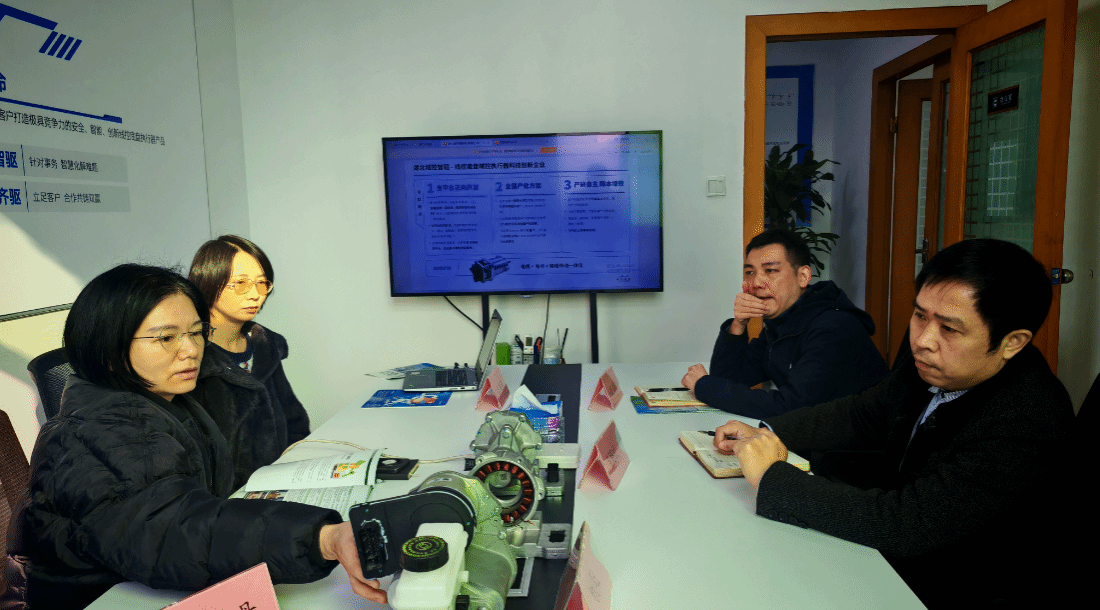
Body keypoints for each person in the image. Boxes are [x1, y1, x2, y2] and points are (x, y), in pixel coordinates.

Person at [712, 238, 1076, 608]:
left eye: (950, 329)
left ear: (1012, 342)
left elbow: (907, 523)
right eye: (920, 316)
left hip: (958, 584)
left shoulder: (1028, 419)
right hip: (891, 555)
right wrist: (769, 431)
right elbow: (864, 412)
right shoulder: (932, 365)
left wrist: (772, 477)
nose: (923, 341)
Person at [22, 264, 386, 608]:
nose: (191, 349)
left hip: (144, 583)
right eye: (166, 337)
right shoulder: (96, 431)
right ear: (108, 348)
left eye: (196, 332)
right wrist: (321, 537)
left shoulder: (165, 397)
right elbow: (174, 529)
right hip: (105, 598)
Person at [682, 229, 887, 418]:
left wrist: (704, 386)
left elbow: (790, 408)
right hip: (817, 434)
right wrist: (739, 324)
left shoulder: (833, 327)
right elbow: (728, 379)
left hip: (861, 443)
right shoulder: (782, 321)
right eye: (750, 272)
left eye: (770, 270)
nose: (756, 283)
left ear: (803, 276)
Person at [188, 235, 310, 488]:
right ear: (209, 282)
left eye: (262, 284)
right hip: (228, 500)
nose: (255, 295)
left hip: (281, 483)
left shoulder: (266, 346)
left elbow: (294, 419)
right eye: (241, 284)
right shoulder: (191, 357)